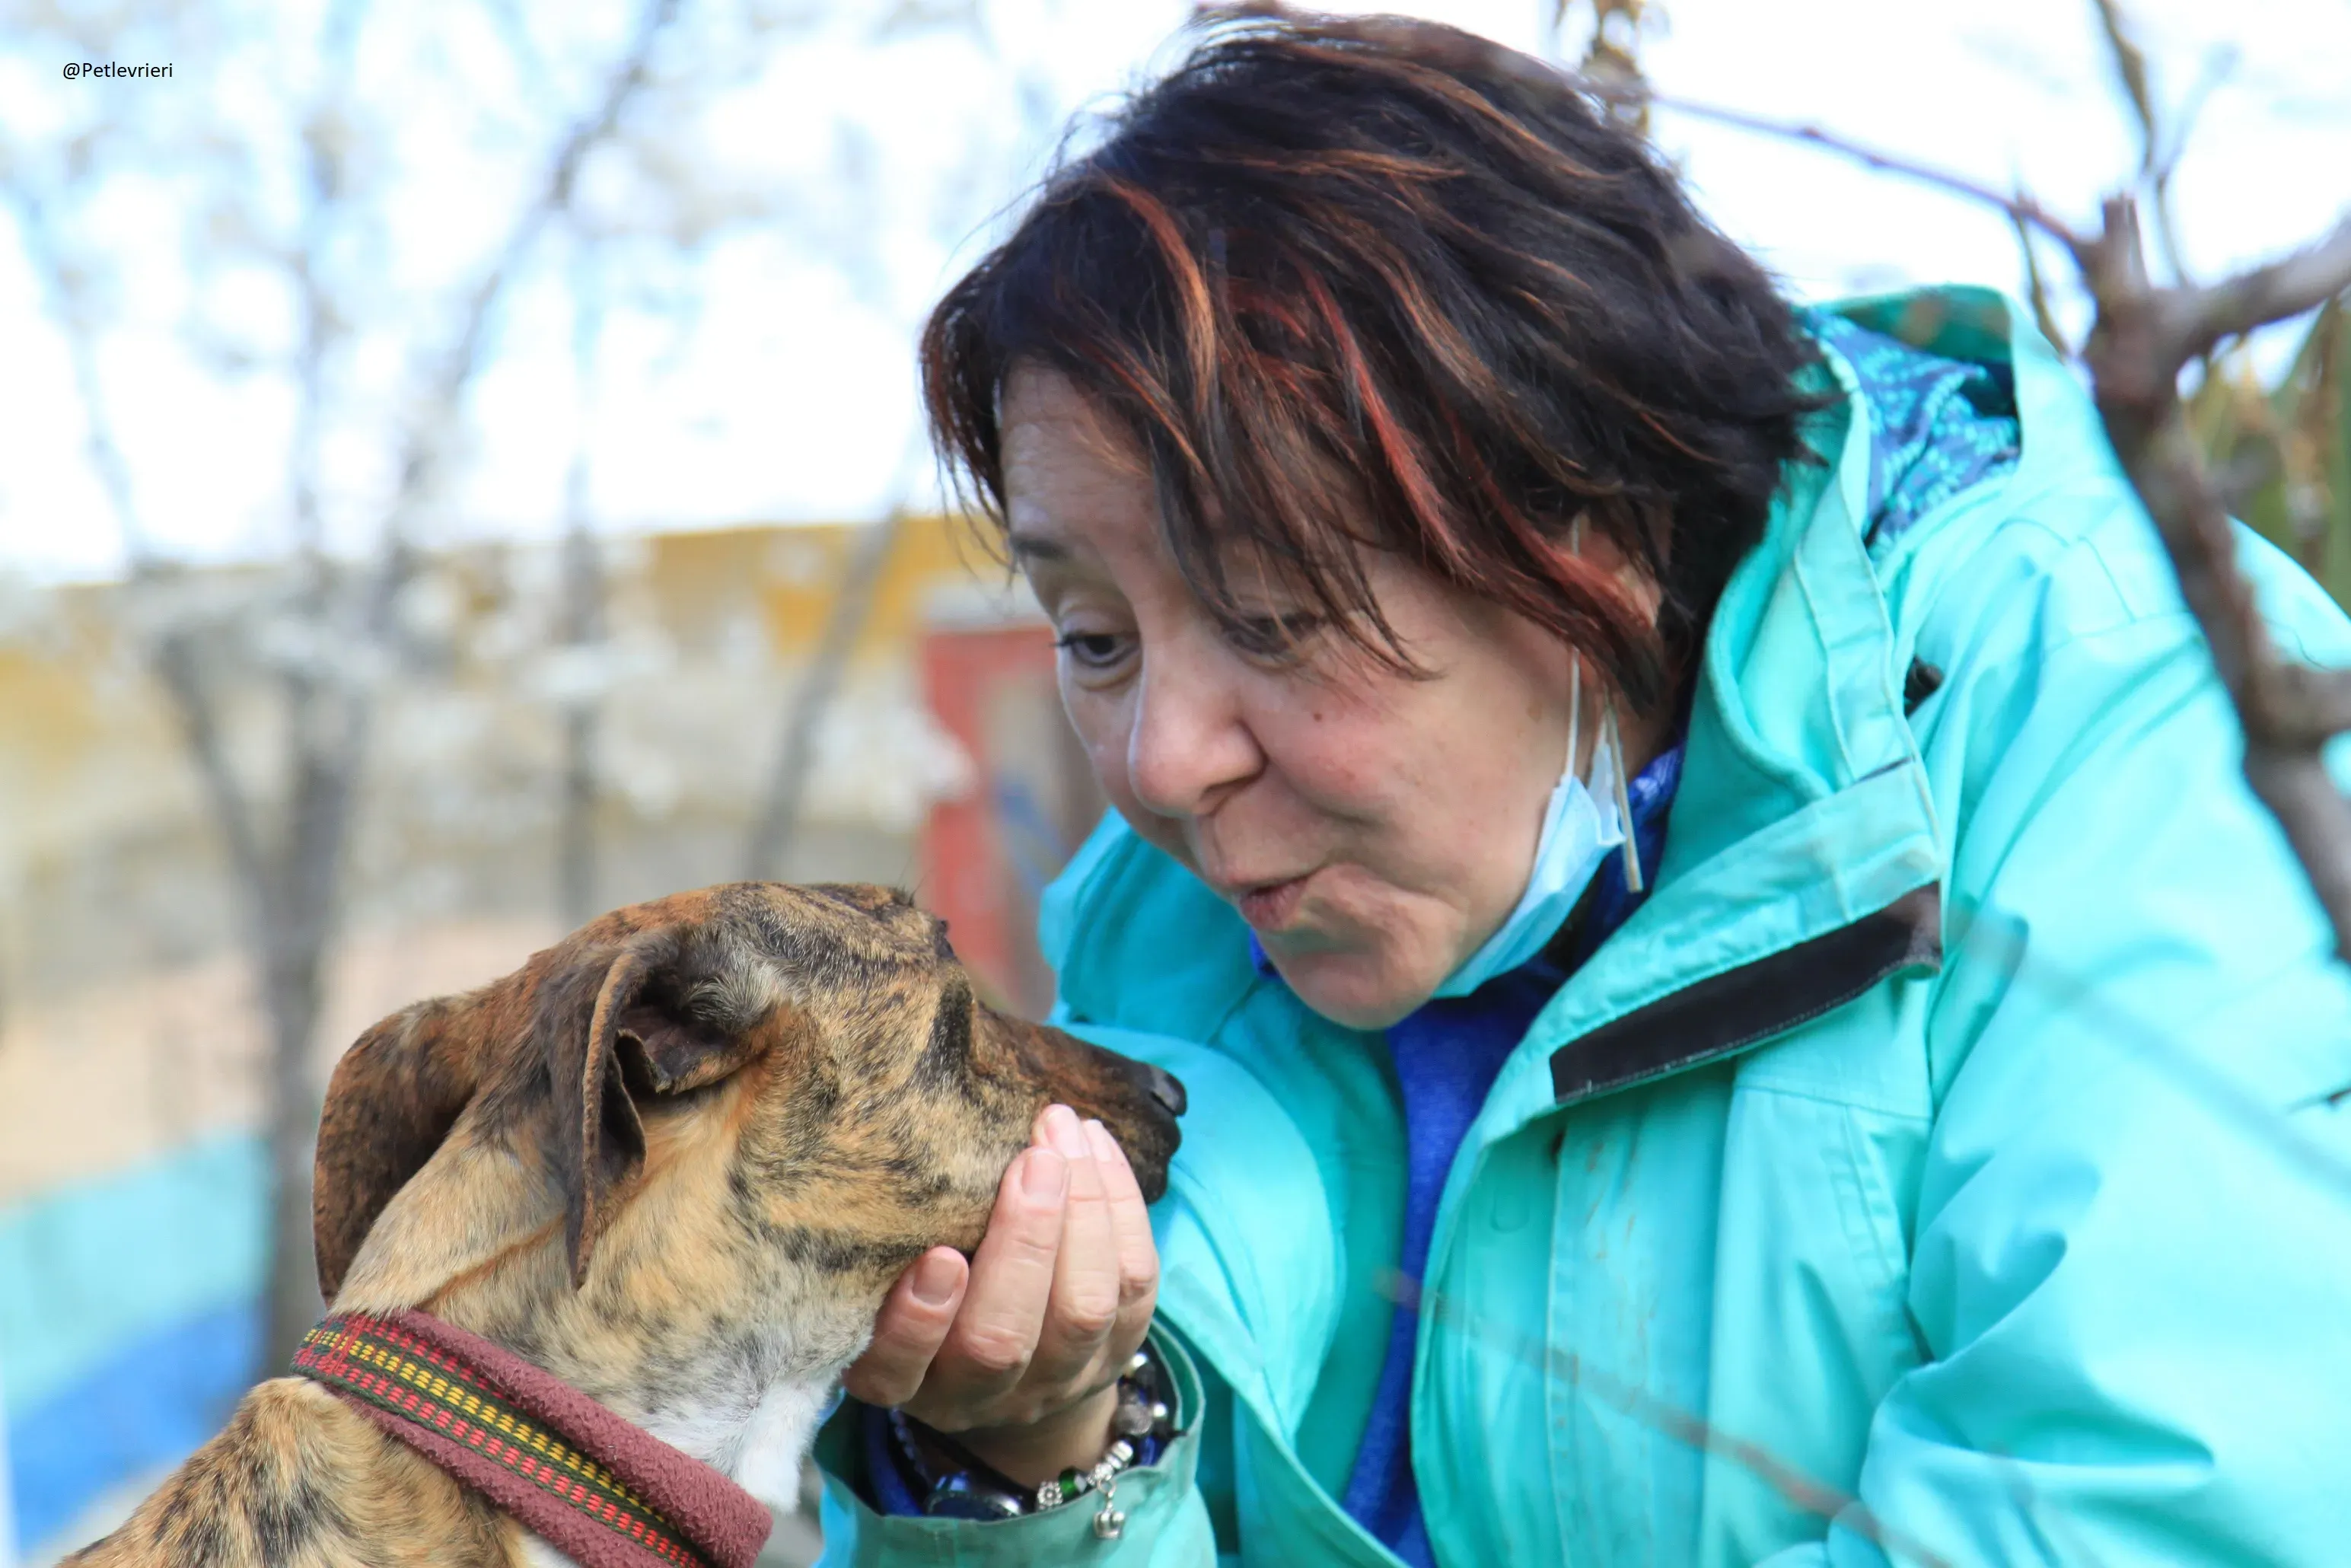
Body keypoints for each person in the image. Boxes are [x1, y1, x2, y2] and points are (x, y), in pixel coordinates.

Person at [810, 14, 2351, 1566]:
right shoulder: (1181, 912)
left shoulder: (2106, 727)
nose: (1159, 760)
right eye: (1093, 635)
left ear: (1591, 529)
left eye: (1271, 617)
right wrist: (1037, 1464)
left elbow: (2148, 1507)